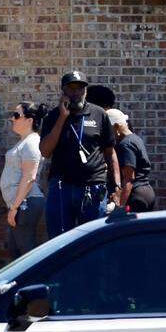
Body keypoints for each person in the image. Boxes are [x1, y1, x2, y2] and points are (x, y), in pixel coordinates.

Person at [40, 71, 119, 239]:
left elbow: (110, 153)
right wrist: (62, 118)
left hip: (93, 186)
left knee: (94, 240)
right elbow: (45, 151)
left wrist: (116, 186)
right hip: (62, 188)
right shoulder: (53, 116)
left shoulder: (99, 114)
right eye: (71, 88)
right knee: (59, 241)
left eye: (80, 88)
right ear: (63, 92)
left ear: (86, 91)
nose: (76, 93)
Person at [1, 102, 47, 257]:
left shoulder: (32, 142)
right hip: (21, 203)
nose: (12, 119)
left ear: (29, 120)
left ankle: (35, 281)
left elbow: (29, 177)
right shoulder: (24, 141)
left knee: (26, 251)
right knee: (16, 252)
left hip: (26, 202)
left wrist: (14, 208)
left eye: (16, 115)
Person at [107, 108, 156, 213]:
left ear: (116, 127)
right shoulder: (135, 139)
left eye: (108, 130)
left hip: (136, 196)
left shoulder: (126, 145)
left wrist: (120, 206)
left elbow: (129, 179)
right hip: (146, 192)